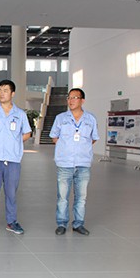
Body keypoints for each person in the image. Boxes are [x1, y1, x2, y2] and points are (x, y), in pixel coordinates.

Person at [0, 80, 32, 235]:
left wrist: (15, 143)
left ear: (12, 93)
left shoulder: (20, 114)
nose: (2, 93)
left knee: (11, 193)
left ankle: (12, 221)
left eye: (5, 90)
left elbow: (27, 133)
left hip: (13, 159)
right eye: (0, 90)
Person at [49, 88, 100, 236]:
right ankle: (61, 224)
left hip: (83, 164)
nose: (70, 101)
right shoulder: (60, 118)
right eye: (69, 98)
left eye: (74, 98)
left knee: (81, 197)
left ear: (82, 101)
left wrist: (81, 148)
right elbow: (54, 137)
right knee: (62, 197)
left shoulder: (90, 119)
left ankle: (78, 224)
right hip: (64, 163)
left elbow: (93, 138)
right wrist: (65, 148)